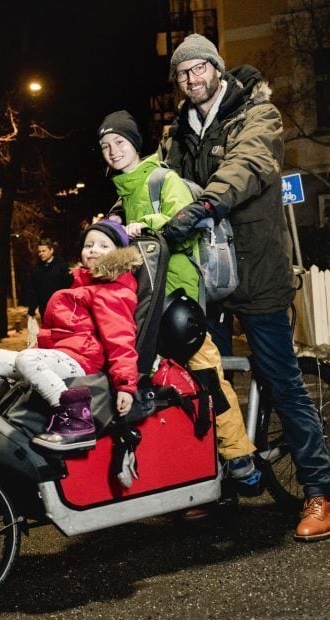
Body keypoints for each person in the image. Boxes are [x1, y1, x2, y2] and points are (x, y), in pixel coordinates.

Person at [159, 33, 330, 540]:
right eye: (183, 73)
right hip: (205, 276)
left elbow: (250, 164)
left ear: (216, 67)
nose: (193, 79)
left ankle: (319, 490)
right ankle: (218, 480)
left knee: (280, 378)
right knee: (204, 381)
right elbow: (160, 182)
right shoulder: (177, 132)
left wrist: (206, 203)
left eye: (199, 68)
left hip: (255, 268)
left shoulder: (257, 112)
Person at [97, 109, 259, 492]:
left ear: (135, 144)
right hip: (147, 300)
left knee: (206, 374)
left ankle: (239, 458)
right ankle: (190, 470)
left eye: (119, 142)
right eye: (105, 146)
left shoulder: (161, 179)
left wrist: (146, 225)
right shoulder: (123, 195)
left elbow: (189, 221)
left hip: (178, 295)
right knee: (163, 386)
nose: (113, 151)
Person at [0, 219, 141, 451]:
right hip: (62, 356)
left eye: (104, 246)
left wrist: (125, 385)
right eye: (89, 244)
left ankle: (76, 418)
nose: (94, 249)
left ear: (119, 253)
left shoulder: (113, 290)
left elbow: (121, 339)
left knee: (27, 359)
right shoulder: (80, 284)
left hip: (84, 361)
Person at [26, 238, 73, 321]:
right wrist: (32, 309)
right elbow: (32, 290)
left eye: (44, 251)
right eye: (39, 251)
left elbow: (69, 286)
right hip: (44, 309)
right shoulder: (37, 268)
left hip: (60, 308)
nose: (41, 254)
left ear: (51, 250)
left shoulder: (62, 266)